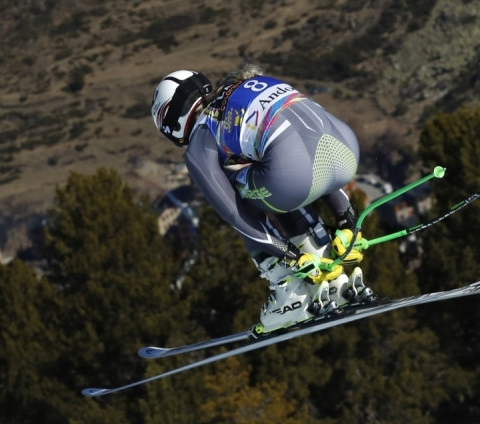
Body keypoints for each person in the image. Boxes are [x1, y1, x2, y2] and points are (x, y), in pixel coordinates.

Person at [150, 65, 373, 333]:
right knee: (272, 174)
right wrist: (346, 220)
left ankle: (289, 292)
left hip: (295, 175)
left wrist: (288, 254)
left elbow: (233, 213)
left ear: (170, 120)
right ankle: (332, 275)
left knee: (236, 187)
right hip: (347, 151)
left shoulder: (201, 136)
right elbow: (319, 157)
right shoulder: (252, 84)